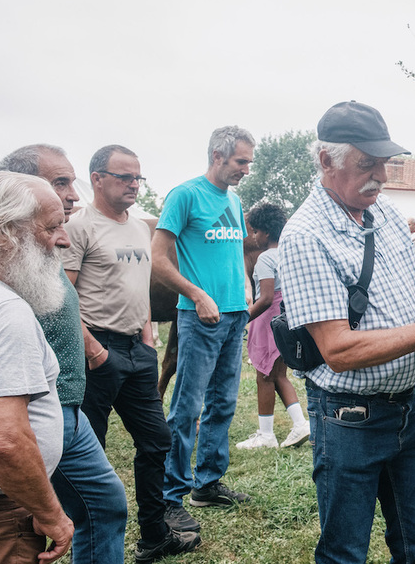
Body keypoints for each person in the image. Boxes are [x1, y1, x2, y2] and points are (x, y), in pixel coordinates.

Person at [278, 101, 415, 564]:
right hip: (348, 420)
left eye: (384, 163)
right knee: (345, 554)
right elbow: (339, 350)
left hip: (406, 410)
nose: (381, 176)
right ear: (326, 161)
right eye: (368, 164)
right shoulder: (305, 235)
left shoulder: (384, 213)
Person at [62, 145, 201, 561]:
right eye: (124, 177)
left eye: (138, 178)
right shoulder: (79, 226)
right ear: (97, 178)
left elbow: (138, 287)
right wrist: (93, 350)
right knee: (92, 449)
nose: (134, 185)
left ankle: (154, 535)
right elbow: (63, 296)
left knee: (157, 442)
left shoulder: (141, 228)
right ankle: (85, 536)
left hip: (136, 351)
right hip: (96, 351)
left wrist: (147, 340)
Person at [0, 145, 129, 563]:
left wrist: (92, 348)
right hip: (35, 410)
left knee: (104, 502)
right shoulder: (6, 260)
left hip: (66, 405)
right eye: (60, 183)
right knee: (38, 524)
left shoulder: (43, 245)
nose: (72, 194)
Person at [152, 126, 254, 533]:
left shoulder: (234, 200)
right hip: (200, 318)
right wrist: (196, 295)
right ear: (217, 156)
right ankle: (170, 496)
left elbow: (235, 252)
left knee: (223, 403)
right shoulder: (185, 195)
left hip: (234, 315)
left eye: (249, 162)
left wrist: (245, 290)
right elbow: (158, 259)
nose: (246, 169)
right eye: (241, 161)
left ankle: (207, 484)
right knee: (187, 408)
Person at [0, 171, 74, 563]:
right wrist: (51, 514)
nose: (64, 240)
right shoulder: (0, 310)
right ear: (4, 233)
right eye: (52, 227)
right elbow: (3, 438)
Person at [235, 202, 311, 450]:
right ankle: (300, 424)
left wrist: (243, 318)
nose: (254, 236)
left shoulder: (265, 258)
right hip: (287, 319)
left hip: (267, 319)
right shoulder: (289, 255)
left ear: (266, 232)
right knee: (278, 375)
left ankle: (266, 435)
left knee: (264, 377)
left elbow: (266, 298)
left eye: (256, 231)